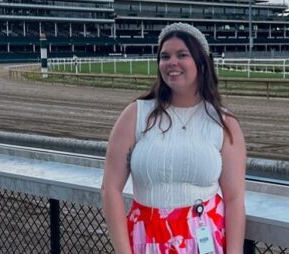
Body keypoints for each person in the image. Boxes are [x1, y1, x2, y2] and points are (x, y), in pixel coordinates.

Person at [102, 22, 247, 254]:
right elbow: (110, 189)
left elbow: (235, 198)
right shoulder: (136, 115)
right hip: (144, 240)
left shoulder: (224, 123)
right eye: (165, 56)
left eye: (182, 55)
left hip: (204, 240)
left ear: (201, 62)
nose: (172, 62)